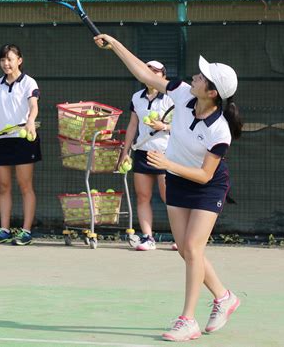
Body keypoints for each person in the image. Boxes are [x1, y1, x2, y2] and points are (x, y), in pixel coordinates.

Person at [95, 34, 242, 342]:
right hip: (176, 178)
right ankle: (224, 296)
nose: (195, 76)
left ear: (212, 92)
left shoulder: (219, 130)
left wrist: (167, 164)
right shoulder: (184, 94)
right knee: (186, 252)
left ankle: (187, 320)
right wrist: (116, 45)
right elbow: (145, 74)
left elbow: (204, 176)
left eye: (202, 77)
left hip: (206, 186)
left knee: (192, 248)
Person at [0, 44, 41, 246]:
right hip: (2, 140)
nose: (6, 63)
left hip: (24, 139)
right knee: (4, 186)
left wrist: (30, 121)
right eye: (2, 60)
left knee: (25, 185)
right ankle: (5, 230)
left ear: (19, 60)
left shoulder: (28, 83)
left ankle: (26, 232)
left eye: (9, 59)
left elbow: (33, 106)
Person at [119, 60, 177, 251]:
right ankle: (148, 237)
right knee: (143, 197)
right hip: (143, 153)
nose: (150, 74)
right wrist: (125, 151)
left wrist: (164, 127)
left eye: (155, 71)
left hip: (166, 153)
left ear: (163, 75)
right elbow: (133, 125)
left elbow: (183, 126)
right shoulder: (137, 97)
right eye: (147, 70)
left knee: (170, 197)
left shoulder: (172, 97)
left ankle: (180, 237)